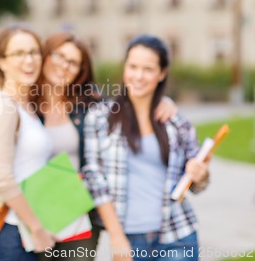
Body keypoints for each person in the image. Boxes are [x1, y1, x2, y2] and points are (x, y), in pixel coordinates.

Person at [33, 32, 178, 261]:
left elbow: (128, 104)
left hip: (75, 212)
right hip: (29, 210)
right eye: (58, 56)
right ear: (45, 56)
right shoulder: (20, 104)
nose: (64, 65)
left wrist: (163, 101)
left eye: (73, 62)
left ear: (81, 71)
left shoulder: (88, 105)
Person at [83, 34, 210, 261]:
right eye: (133, 67)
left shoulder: (177, 123)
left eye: (148, 69)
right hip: (129, 239)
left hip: (177, 235)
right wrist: (116, 236)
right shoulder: (100, 118)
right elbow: (95, 180)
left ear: (161, 74)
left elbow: (195, 184)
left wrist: (201, 175)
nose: (138, 76)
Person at [0, 25, 56, 261]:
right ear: (1, 61)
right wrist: (36, 227)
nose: (29, 60)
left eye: (34, 52)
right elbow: (3, 179)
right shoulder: (4, 106)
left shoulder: (26, 107)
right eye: (19, 54)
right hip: (13, 232)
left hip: (27, 230)